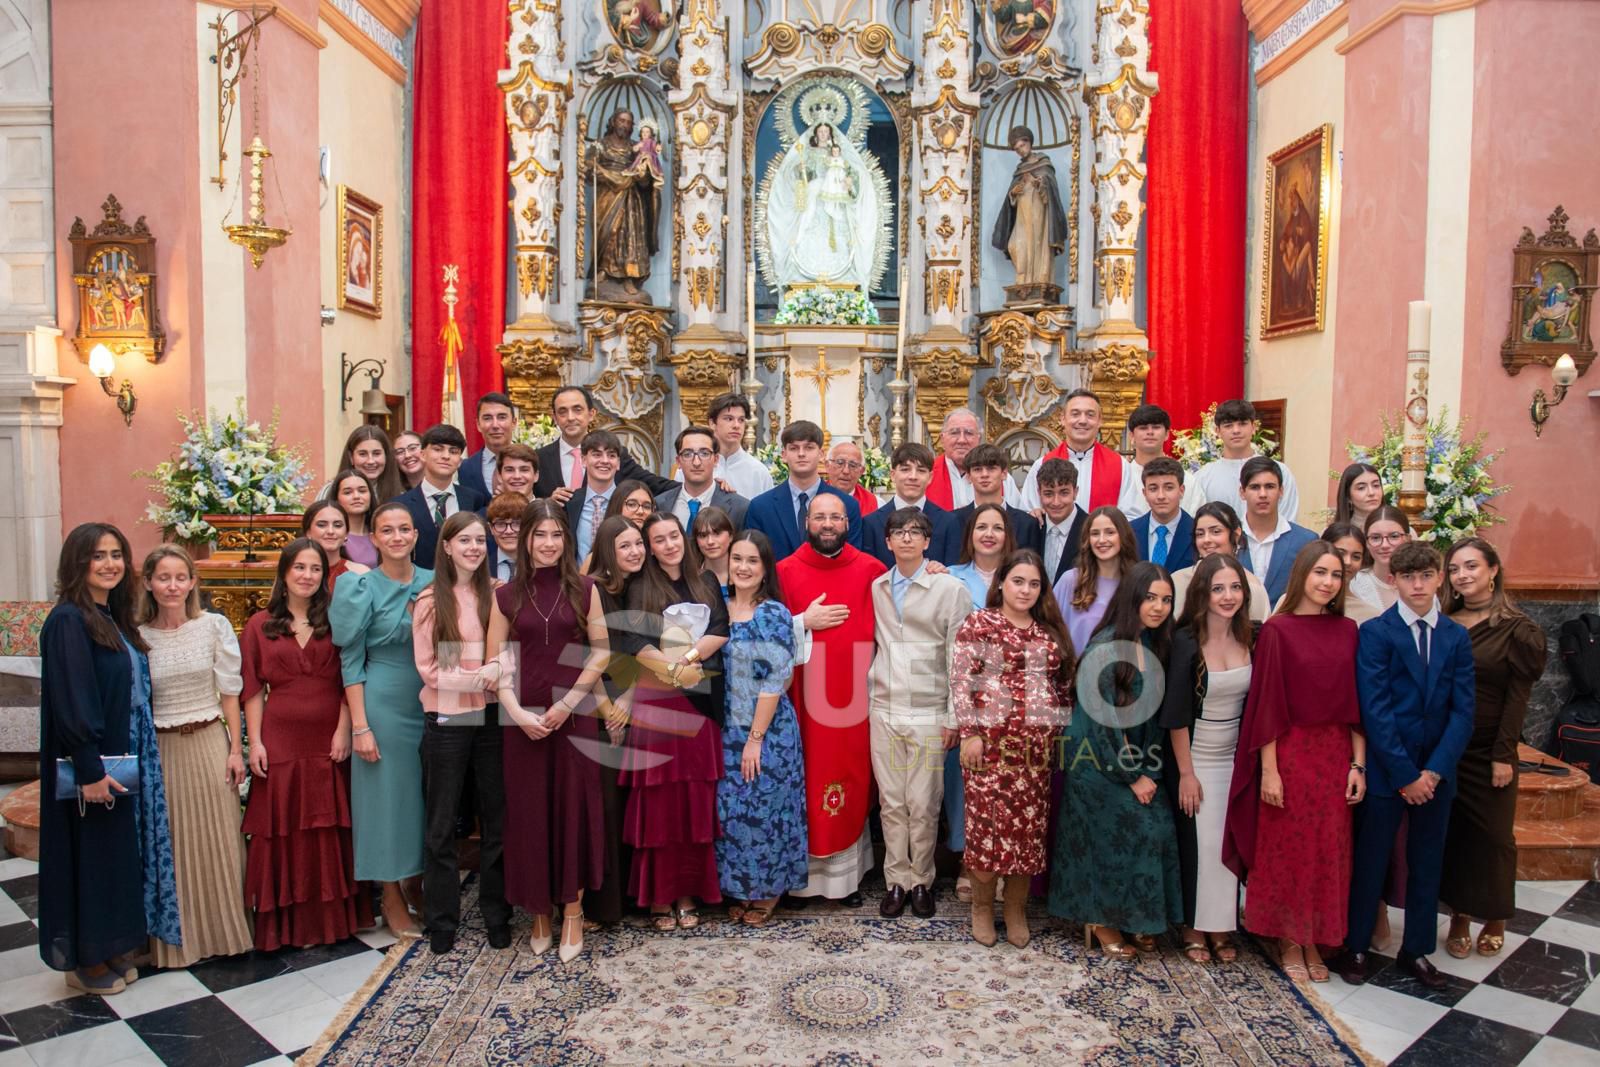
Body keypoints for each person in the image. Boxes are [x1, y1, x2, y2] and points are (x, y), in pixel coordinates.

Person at [40, 524, 179, 994]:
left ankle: (110, 945)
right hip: (93, 762)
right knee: (91, 857)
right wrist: (89, 768)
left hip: (122, 752)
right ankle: (86, 960)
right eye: (98, 555)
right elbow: (71, 698)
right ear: (77, 562)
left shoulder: (111, 616)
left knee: (116, 854)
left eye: (117, 554)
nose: (109, 564)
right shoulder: (68, 620)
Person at [1333, 542, 1476, 990]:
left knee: (1426, 863)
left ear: (1440, 578)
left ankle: (1415, 950)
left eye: (1426, 575)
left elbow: (1463, 711)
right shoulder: (1376, 633)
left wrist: (1433, 772)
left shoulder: (1455, 636)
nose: (1418, 585)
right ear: (1393, 580)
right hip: (1388, 771)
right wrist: (1405, 775)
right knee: (1371, 859)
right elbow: (1375, 710)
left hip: (1435, 773)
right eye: (1408, 577)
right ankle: (1356, 945)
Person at [1223, 541, 1365, 984]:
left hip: (1335, 753)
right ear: (1302, 573)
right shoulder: (1278, 630)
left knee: (1328, 851)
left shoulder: (1348, 630)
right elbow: (1267, 704)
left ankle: (1315, 938)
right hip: (1289, 752)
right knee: (1288, 850)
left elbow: (1355, 704)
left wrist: (1357, 765)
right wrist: (1270, 769)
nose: (1327, 583)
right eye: (1320, 572)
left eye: (1336, 575)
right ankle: (1287, 938)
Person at [488, 499, 610, 960]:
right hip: (520, 720)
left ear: (567, 539)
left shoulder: (585, 588)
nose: (548, 544)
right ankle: (539, 911)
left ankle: (573, 911)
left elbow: (600, 651)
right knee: (529, 817)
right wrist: (517, 713)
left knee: (572, 812)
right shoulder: (504, 594)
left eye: (556, 535)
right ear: (525, 540)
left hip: (573, 717)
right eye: (539, 535)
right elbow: (496, 661)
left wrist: (567, 704)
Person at [241, 539, 372, 950]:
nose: (307, 576)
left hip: (327, 738)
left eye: (315, 569)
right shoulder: (259, 625)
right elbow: (250, 691)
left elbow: (350, 676)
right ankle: (285, 927)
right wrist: (254, 742)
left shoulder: (337, 621)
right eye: (299, 567)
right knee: (283, 830)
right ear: (284, 573)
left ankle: (330, 923)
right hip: (280, 739)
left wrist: (343, 728)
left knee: (326, 829)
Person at [1052, 562, 1183, 956]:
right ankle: (1100, 918)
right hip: (1095, 762)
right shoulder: (1105, 646)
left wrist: (1150, 771)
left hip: (1134, 759)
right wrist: (1132, 777)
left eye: (1166, 600)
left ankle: (1137, 916)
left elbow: (1152, 723)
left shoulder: (1153, 645)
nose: (1158, 607)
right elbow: (1102, 726)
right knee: (1134, 827)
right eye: (1150, 598)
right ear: (1132, 598)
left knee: (1158, 826)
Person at [137, 546, 252, 967]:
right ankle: (179, 943)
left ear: (192, 582)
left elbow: (230, 692)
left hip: (208, 742)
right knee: (173, 843)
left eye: (181, 577)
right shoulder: (139, 635)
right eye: (163, 577)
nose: (173, 586)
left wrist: (235, 748)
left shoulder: (213, 626)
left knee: (220, 836)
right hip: (163, 747)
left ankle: (227, 934)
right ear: (148, 582)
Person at [954, 550, 1073, 947]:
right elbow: (961, 680)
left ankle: (1016, 909)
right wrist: (969, 731)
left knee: (1026, 834)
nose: (1025, 590)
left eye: (1034, 583)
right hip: (987, 750)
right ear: (1002, 582)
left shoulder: (1048, 632)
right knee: (988, 830)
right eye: (1018, 581)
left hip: (1034, 757)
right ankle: (983, 908)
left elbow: (1064, 686)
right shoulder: (980, 623)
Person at [619, 512, 728, 929]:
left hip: (699, 699)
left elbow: (720, 628)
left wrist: (685, 662)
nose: (669, 545)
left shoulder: (706, 582)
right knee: (660, 802)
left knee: (693, 801)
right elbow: (634, 640)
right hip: (657, 700)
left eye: (673, 536)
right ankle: (659, 896)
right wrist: (669, 669)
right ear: (648, 547)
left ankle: (687, 892)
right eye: (658, 539)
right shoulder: (640, 586)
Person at [1439, 537, 1547, 959]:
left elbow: (1518, 698)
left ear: (1493, 570)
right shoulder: (1446, 620)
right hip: (1448, 747)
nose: (1462, 575)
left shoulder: (1518, 630)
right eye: (1454, 569)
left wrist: (1505, 754)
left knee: (1495, 837)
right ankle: (1460, 915)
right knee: (1456, 834)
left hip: (1489, 750)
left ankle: (1496, 915)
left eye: (1471, 566)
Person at [776, 492, 885, 904]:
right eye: (819, 517)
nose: (827, 524)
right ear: (807, 522)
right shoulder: (784, 571)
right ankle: (799, 878)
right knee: (803, 781)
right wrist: (803, 622)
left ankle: (845, 880)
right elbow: (763, 630)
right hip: (802, 698)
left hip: (854, 699)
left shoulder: (873, 571)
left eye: (835, 517)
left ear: (847, 523)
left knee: (850, 779)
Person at [329, 501, 431, 938]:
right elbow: (350, 660)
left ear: (415, 535)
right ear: (373, 539)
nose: (396, 537)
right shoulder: (358, 586)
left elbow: (453, 640)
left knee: (423, 800)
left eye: (403, 529)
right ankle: (389, 895)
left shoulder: (432, 581)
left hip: (431, 700)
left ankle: (416, 880)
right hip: (383, 703)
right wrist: (360, 725)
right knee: (387, 803)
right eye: (386, 531)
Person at [412, 512, 511, 955]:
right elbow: (434, 671)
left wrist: (494, 671)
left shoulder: (497, 595)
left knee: (497, 821)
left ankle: (496, 915)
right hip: (448, 719)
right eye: (463, 540)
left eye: (479, 540)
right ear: (447, 546)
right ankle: (442, 923)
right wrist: (486, 675)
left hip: (492, 719)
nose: (473, 547)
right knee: (441, 825)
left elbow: (512, 655)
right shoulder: (434, 601)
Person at [868, 508, 972, 919]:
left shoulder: (950, 589)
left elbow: (960, 658)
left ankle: (922, 881)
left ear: (928, 542)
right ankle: (896, 880)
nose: (907, 538)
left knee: (925, 801)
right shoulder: (876, 586)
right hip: (884, 706)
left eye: (916, 532)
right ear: (888, 541)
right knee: (892, 801)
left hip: (929, 710)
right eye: (899, 532)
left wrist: (953, 716)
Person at [1159, 553, 1253, 964]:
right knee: (1200, 845)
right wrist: (1186, 774)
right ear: (1202, 592)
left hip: (1237, 757)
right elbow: (1176, 715)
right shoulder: (1184, 642)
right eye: (1218, 588)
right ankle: (1195, 927)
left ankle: (1222, 926)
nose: (1228, 596)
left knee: (1227, 843)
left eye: (1235, 588)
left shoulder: (1254, 636)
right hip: (1196, 756)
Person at [717, 530, 809, 925]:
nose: (743, 567)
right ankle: (739, 885)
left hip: (767, 728)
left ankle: (769, 891)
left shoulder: (773, 613)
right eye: (737, 558)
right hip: (725, 723)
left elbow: (777, 680)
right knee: (732, 810)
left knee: (767, 809)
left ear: (765, 567)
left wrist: (755, 739)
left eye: (752, 560)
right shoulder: (717, 608)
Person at [943, 502, 1017, 901]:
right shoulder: (949, 577)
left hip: (1010, 699)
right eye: (981, 527)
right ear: (969, 534)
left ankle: (1003, 863)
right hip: (966, 693)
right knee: (964, 780)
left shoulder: (1020, 576)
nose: (989, 534)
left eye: (998, 527)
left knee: (1005, 783)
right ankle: (968, 861)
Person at [584, 515, 648, 927]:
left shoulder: (643, 589)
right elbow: (585, 657)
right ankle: (601, 905)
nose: (635, 552)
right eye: (625, 546)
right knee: (603, 808)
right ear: (608, 550)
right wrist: (610, 710)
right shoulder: (590, 592)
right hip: (597, 707)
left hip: (638, 702)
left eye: (639, 544)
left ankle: (636, 897)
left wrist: (629, 700)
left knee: (633, 806)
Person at [746, 420, 864, 559]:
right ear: (784, 455)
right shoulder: (760, 507)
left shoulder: (847, 505)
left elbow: (852, 559)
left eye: (809, 448)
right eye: (794, 448)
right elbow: (753, 558)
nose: (801, 454)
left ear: (821, 454)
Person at [535, 385, 675, 500]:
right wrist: (547, 503)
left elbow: (656, 485)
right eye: (563, 411)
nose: (570, 417)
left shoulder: (614, 456)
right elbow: (524, 501)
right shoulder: (539, 459)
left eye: (577, 410)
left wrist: (692, 488)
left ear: (591, 414)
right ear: (554, 417)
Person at [1020, 390, 1141, 514]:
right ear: (1062, 419)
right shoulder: (1042, 465)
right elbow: (1028, 511)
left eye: (1090, 415)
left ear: (1100, 421)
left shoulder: (1120, 466)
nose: (1083, 420)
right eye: (1075, 414)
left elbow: (1131, 516)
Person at [1181, 400, 1301, 524]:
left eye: (1242, 424)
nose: (1236, 430)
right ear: (1217, 431)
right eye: (1228, 426)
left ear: (1254, 427)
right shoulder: (1203, 477)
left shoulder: (1279, 471)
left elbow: (1288, 518)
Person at [396, 424, 489, 567]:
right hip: (419, 585)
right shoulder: (401, 505)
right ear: (422, 455)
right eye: (438, 449)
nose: (446, 456)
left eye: (453, 451)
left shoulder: (475, 500)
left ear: (460, 461)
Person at [1054, 505, 1138, 654]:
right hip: (1075, 673)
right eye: (1095, 533)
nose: (1101, 540)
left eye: (1110, 532)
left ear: (1123, 536)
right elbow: (1047, 630)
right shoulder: (1070, 581)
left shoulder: (1136, 584)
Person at [861, 442, 959, 567]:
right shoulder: (871, 523)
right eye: (905, 469)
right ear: (892, 475)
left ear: (930, 477)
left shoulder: (948, 522)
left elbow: (953, 572)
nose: (913, 477)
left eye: (921, 470)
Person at [1170, 503, 1271, 624]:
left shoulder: (1252, 586)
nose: (1206, 540)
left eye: (1216, 531)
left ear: (1236, 534)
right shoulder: (1177, 581)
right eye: (1200, 534)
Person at [1235, 457, 1317, 604]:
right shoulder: (1228, 537)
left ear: (1281, 491)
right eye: (1254, 487)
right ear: (1242, 492)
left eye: (1270, 486)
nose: (1262, 494)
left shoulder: (1306, 541)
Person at [947, 444, 1043, 554]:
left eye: (991, 468)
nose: (984, 474)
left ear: (1004, 473)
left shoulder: (1027, 523)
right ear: (969, 476)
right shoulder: (953, 521)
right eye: (977, 469)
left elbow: (1031, 566)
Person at [656, 425, 749, 531]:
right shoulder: (660, 504)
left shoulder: (739, 508)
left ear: (716, 459)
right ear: (678, 462)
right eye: (688, 454)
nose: (696, 462)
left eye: (704, 454)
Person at [927, 409, 1020, 510]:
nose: (961, 440)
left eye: (969, 433)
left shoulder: (1000, 477)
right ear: (942, 439)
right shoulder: (927, 474)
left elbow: (1017, 516)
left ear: (979, 439)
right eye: (954, 433)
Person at [564, 430, 627, 563]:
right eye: (597, 455)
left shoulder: (629, 502)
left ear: (618, 463)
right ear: (584, 460)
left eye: (611, 455)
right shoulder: (569, 503)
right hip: (578, 581)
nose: (604, 461)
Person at [699, 392, 775, 502]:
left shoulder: (759, 472)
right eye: (729, 419)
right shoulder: (693, 467)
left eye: (741, 420)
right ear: (712, 423)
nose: (736, 425)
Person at [1130, 457, 1195, 572]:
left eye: (1169, 488)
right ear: (1144, 493)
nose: (1161, 496)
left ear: (1181, 490)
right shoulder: (1129, 531)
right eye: (1153, 489)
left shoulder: (1196, 531)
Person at [1035, 458, 1086, 589]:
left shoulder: (1090, 529)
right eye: (1048, 494)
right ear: (1039, 493)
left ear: (1075, 492)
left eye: (1064, 493)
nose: (1056, 502)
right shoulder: (1032, 526)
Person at [1349, 506, 1411, 613]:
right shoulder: (1354, 585)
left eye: (1394, 536)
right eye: (1376, 538)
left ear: (1407, 539)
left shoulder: (1421, 582)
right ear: (1367, 542)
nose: (1385, 545)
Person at [459, 392, 518, 501]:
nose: (495, 425)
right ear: (478, 425)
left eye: (502, 417)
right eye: (487, 418)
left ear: (514, 422)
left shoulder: (532, 461)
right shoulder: (466, 468)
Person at [1318, 522, 1380, 624]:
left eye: (1356, 557)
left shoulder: (1369, 615)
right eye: (1341, 553)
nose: (1348, 562)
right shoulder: (1296, 603)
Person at [300, 500, 368, 590]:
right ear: (308, 533)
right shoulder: (294, 573)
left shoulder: (360, 573)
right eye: (322, 525)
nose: (330, 531)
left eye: (337, 525)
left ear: (346, 534)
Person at [331, 425, 405, 504]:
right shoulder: (329, 490)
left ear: (386, 456)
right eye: (363, 454)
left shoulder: (401, 496)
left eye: (376, 453)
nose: (371, 461)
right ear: (351, 457)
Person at [325, 469, 380, 567]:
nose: (356, 496)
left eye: (362, 491)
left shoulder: (381, 533)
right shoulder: (330, 535)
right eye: (348, 492)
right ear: (336, 499)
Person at [826, 439, 879, 516]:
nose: (846, 471)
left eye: (853, 465)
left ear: (861, 471)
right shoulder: (813, 497)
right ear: (827, 466)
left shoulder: (875, 503)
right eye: (840, 463)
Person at [692, 505, 737, 592]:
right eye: (703, 535)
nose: (710, 542)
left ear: (731, 536)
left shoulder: (744, 575)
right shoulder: (690, 578)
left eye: (717, 533)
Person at [486, 492, 528, 584]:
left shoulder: (541, 566)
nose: (509, 531)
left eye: (517, 523)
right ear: (491, 528)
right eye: (500, 524)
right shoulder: (480, 568)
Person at [1334, 462, 1386, 529]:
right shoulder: (1336, 534)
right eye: (1361, 488)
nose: (1371, 493)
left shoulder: (1395, 526)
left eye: (1376, 485)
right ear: (1348, 497)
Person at [1127, 403, 1172, 470]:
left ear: (1166, 434)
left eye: (1156, 427)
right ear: (1132, 436)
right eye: (1143, 428)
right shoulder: (1121, 477)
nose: (1150, 432)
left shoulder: (1184, 478)